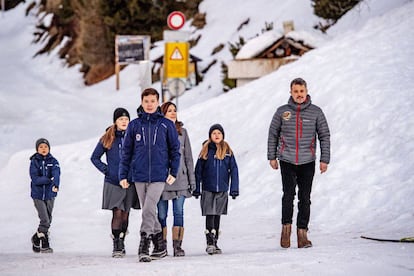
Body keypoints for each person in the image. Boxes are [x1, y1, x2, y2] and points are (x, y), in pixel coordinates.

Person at [267, 77, 330, 249]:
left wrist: (325, 159)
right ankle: (285, 231)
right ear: (291, 92)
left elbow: (324, 136)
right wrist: (272, 156)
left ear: (307, 91)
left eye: (302, 91)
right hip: (286, 160)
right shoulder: (282, 112)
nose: (299, 94)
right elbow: (273, 134)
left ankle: (302, 234)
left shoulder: (316, 112)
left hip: (307, 161)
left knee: (305, 198)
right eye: (296, 91)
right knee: (288, 195)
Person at [119, 88, 181, 262]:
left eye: (152, 101)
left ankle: (144, 244)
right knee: (149, 211)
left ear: (157, 102)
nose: (149, 104)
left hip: (159, 175)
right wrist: (123, 175)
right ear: (142, 102)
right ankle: (160, 246)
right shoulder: (134, 125)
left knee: (148, 209)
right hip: (138, 175)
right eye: (146, 101)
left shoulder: (166, 125)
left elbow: (175, 151)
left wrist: (173, 171)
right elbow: (126, 153)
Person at [90, 107, 140, 258]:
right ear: (115, 122)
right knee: (117, 212)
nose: (124, 122)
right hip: (113, 182)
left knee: (125, 214)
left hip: (130, 182)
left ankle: (122, 239)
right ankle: (116, 242)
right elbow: (94, 158)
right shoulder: (108, 138)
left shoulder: (134, 137)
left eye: (126, 119)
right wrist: (108, 170)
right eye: (121, 119)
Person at [193, 124, 239, 255]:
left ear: (223, 135)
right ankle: (209, 242)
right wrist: (197, 188)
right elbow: (198, 171)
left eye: (219, 133)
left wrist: (234, 188)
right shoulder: (206, 151)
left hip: (222, 189)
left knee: (217, 214)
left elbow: (234, 170)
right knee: (210, 214)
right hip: (208, 188)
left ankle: (215, 241)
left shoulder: (228, 151)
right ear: (210, 136)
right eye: (214, 133)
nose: (217, 135)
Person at [157, 101, 195, 257]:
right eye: (169, 110)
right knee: (161, 214)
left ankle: (177, 246)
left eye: (174, 110)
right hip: (162, 180)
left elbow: (189, 158)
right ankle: (161, 245)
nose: (173, 113)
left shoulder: (183, 132)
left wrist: (192, 181)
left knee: (179, 212)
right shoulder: (158, 131)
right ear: (163, 113)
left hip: (181, 180)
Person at [30, 138, 61, 253]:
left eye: (45, 147)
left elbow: (56, 173)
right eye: (41, 147)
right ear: (37, 149)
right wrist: (49, 180)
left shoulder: (53, 161)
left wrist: (55, 184)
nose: (43, 149)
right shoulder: (34, 162)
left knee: (49, 218)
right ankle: (44, 240)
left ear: (49, 148)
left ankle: (38, 237)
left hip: (50, 193)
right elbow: (35, 179)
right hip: (37, 195)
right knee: (45, 219)